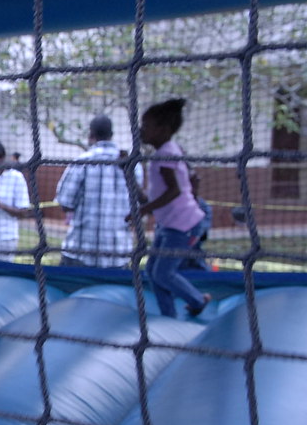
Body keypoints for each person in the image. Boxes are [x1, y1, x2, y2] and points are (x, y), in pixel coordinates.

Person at [131, 98, 211, 318]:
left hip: (183, 225)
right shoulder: (168, 151)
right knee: (153, 271)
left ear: (163, 130)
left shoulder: (165, 154)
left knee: (163, 273)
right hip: (170, 225)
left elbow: (174, 191)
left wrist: (143, 210)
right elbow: (158, 194)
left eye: (146, 126)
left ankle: (197, 300)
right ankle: (169, 315)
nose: (141, 130)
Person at [54, 115, 134, 269]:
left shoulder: (81, 162)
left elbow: (64, 203)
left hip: (80, 251)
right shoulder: (132, 163)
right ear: (112, 135)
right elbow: (135, 206)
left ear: (91, 135)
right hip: (118, 254)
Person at [0, 139, 31, 261]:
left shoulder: (16, 178)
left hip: (5, 239)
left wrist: (3, 206)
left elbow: (23, 212)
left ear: (3, 157)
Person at [179, 167, 213, 271]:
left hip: (194, 264)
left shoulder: (203, 207)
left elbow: (200, 234)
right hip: (172, 261)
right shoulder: (173, 205)